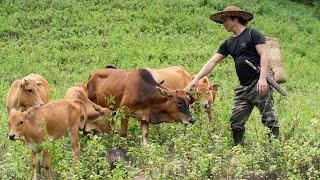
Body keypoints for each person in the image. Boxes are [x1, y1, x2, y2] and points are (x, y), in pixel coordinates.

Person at [184, 6, 279, 146]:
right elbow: (212, 62)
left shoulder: (253, 34)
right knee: (236, 121)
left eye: (225, 20)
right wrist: (196, 79)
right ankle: (238, 150)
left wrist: (263, 78)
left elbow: (264, 55)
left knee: (268, 118)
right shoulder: (229, 43)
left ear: (235, 19)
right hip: (243, 88)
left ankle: (275, 149)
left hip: (258, 84)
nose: (223, 24)